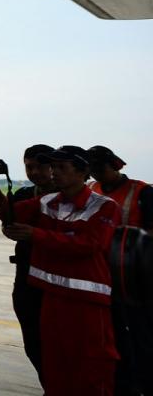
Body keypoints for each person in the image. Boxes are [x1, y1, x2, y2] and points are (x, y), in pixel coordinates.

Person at [0, 146, 119, 396]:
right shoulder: (47, 201)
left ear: (82, 172)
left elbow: (90, 244)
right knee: (55, 362)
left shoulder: (104, 206)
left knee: (92, 364)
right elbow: (8, 213)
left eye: (61, 167)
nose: (53, 173)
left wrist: (36, 234)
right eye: (53, 167)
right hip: (51, 298)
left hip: (87, 302)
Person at [0, 144, 55, 384]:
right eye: (29, 167)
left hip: (57, 277)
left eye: (40, 166)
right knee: (33, 341)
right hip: (26, 274)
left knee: (60, 341)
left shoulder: (69, 196)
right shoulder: (23, 194)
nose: (34, 172)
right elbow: (7, 217)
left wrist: (33, 233)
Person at [87, 145, 153, 396]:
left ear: (114, 165)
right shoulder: (91, 190)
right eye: (92, 169)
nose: (96, 174)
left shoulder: (143, 192)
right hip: (102, 277)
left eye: (100, 168)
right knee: (112, 337)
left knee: (141, 336)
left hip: (136, 279)